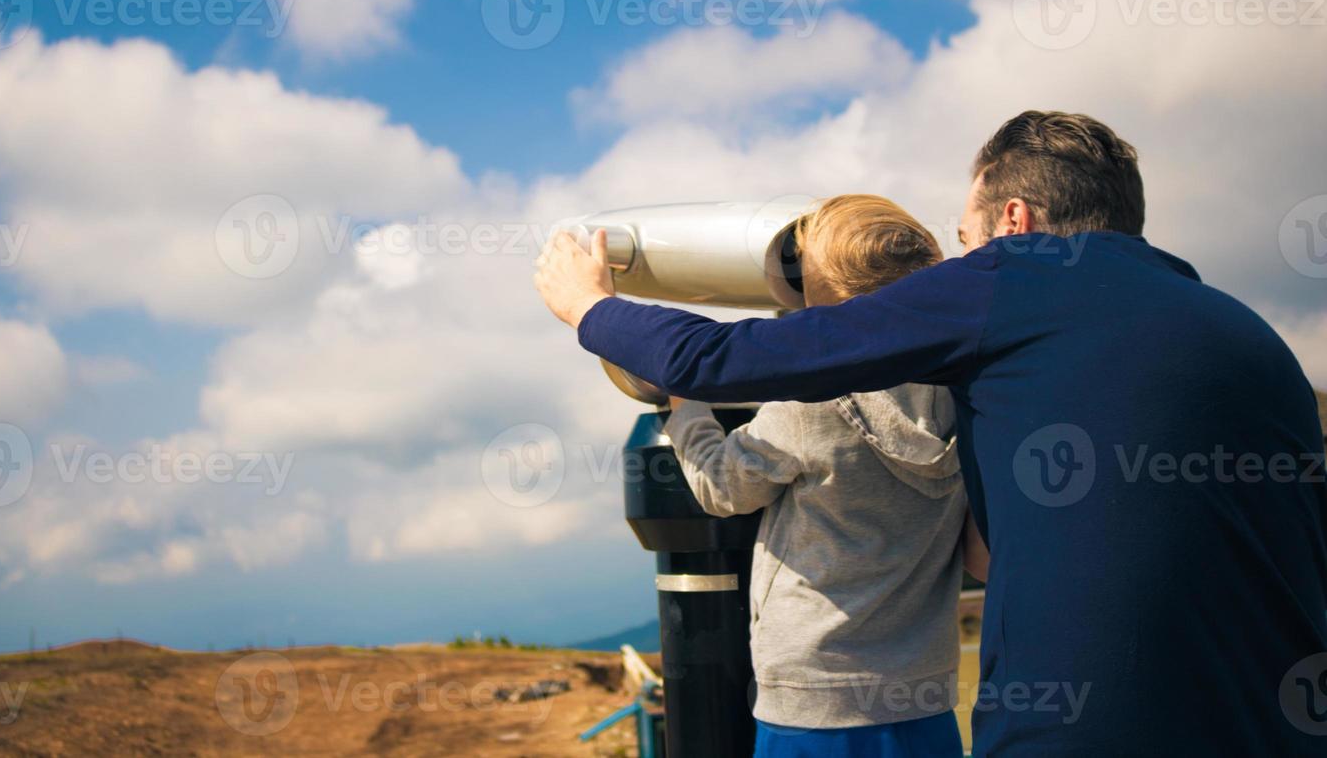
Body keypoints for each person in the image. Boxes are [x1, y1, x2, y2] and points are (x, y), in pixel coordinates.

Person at [534, 112, 1327, 756]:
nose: (958, 262)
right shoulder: (1247, 336)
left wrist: (592, 309)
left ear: (1015, 220)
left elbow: (729, 361)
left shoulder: (1011, 282)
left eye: (968, 236)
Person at [663, 194, 968, 757]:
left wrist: (686, 410)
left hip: (815, 698)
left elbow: (721, 487)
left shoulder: (810, 399)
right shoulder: (965, 386)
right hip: (922, 691)